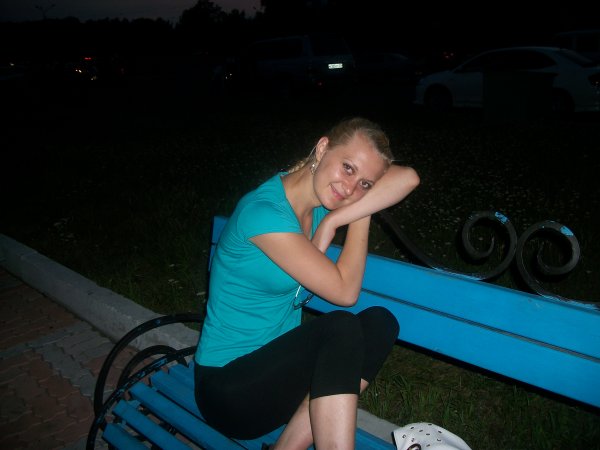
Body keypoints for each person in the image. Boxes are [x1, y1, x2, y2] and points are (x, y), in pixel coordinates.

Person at [194, 117, 420, 450]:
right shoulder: (265, 213)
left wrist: (336, 219)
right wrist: (362, 210)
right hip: (227, 391)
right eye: (347, 168)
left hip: (278, 382)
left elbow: (409, 177)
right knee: (340, 327)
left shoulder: (321, 206)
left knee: (380, 323)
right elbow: (345, 292)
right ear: (322, 148)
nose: (350, 189)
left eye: (365, 184)